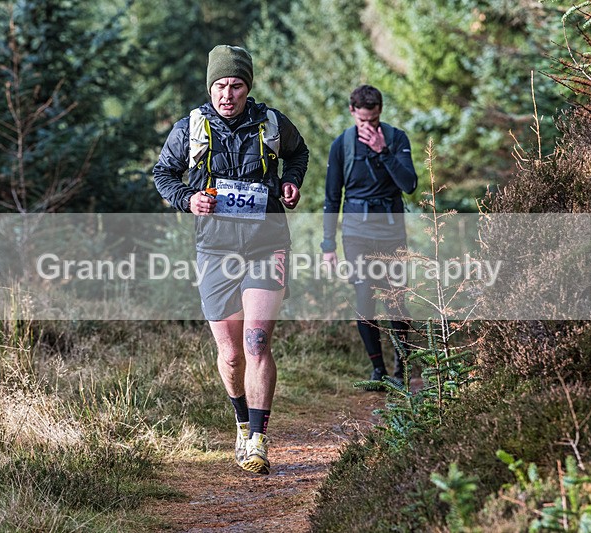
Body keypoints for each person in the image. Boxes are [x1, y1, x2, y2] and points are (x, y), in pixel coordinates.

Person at [153, 45, 309, 475]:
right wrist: (189, 199)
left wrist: (291, 182)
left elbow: (299, 154)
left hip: (266, 242)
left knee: (256, 342)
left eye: (236, 85)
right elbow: (162, 174)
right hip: (215, 248)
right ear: (211, 87)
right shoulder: (191, 127)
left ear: (247, 88)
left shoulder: (273, 123)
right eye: (220, 85)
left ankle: (259, 439)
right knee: (231, 352)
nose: (227, 93)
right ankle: (241, 424)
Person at [321, 84, 417, 381]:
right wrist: (327, 245)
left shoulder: (396, 138)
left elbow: (409, 184)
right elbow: (332, 197)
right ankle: (378, 370)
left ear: (381, 112)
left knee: (396, 300)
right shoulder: (342, 145)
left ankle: (402, 368)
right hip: (356, 232)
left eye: (373, 120)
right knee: (365, 298)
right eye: (363, 121)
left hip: (391, 231)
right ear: (352, 112)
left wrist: (383, 151)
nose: (369, 126)